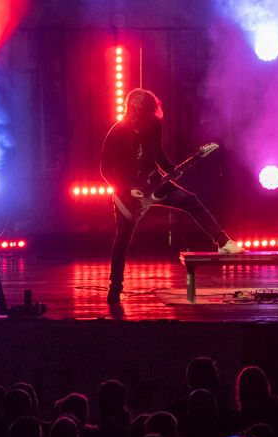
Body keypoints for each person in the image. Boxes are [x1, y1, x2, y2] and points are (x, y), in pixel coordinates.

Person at [101, 88, 236, 300]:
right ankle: (115, 287)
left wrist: (171, 170)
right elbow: (105, 169)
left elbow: (158, 155)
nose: (153, 116)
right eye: (148, 112)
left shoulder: (154, 126)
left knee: (190, 200)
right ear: (137, 112)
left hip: (154, 182)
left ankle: (223, 241)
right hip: (128, 194)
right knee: (123, 239)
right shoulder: (117, 132)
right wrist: (126, 189)